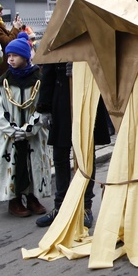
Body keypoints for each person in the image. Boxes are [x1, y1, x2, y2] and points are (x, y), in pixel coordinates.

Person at [35, 62, 111, 229]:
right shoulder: (56, 37)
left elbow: (105, 63)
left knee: (86, 154)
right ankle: (60, 206)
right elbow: (48, 71)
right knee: (60, 154)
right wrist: (44, 106)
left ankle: (86, 206)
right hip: (61, 98)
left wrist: (84, 69)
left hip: (87, 97)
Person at [0, 34, 50, 218]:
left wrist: (29, 130)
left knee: (33, 164)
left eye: (15, 56)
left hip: (32, 134)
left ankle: (32, 197)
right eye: (9, 56)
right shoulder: (4, 82)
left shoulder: (38, 80)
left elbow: (42, 107)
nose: (10, 59)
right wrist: (12, 131)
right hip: (10, 136)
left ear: (25, 57)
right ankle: (14, 200)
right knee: (13, 165)